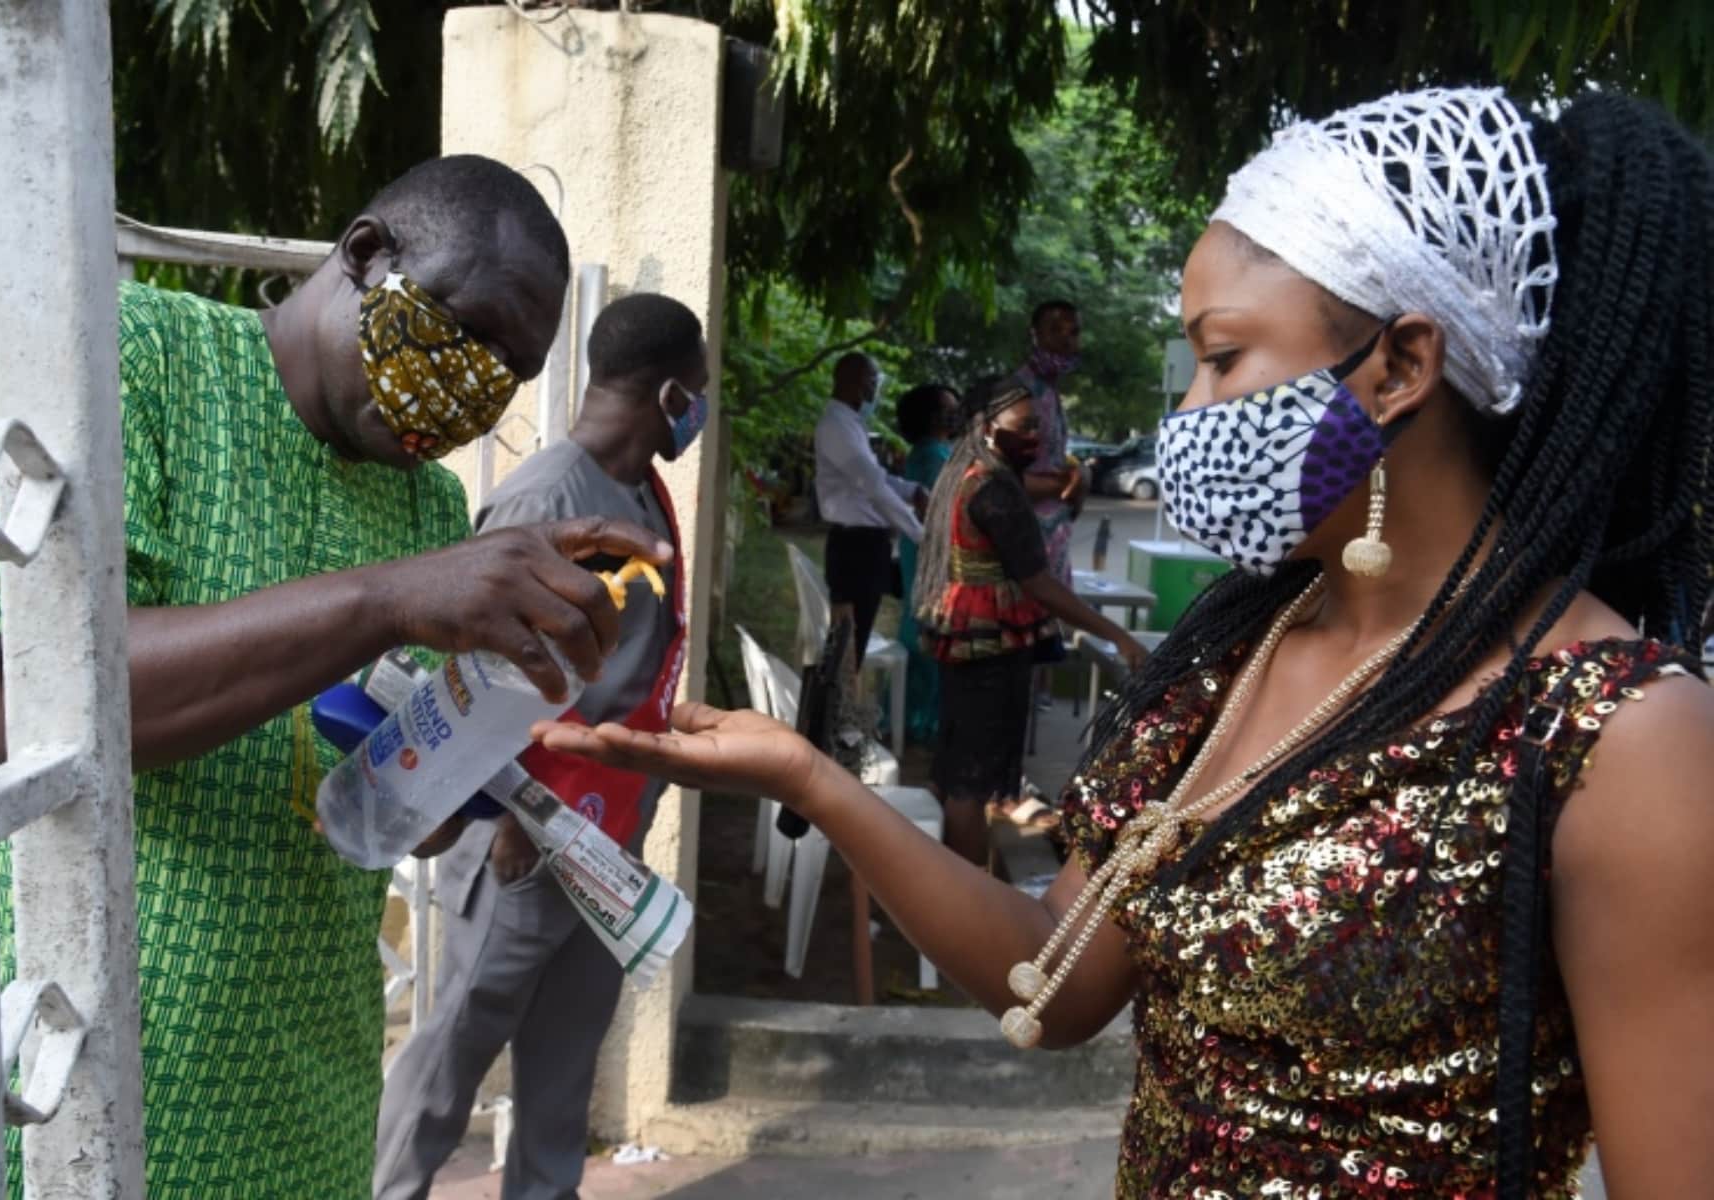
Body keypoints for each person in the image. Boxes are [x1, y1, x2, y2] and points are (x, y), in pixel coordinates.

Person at [532, 88, 1714, 1197]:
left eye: (1224, 356)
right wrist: (813, 781)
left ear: (1402, 366)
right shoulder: (1231, 657)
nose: (1188, 415)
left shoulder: (1618, 738)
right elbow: (1057, 971)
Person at [0, 155, 670, 1199]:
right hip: (80, 1087)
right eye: (464, 330)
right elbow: (8, 705)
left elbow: (399, 820)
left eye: (512, 371)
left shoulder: (429, 509)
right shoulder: (135, 356)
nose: (477, 384)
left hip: (307, 1104)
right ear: (363, 255)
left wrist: (494, 710)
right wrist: (387, 601)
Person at [374, 294, 705, 1200]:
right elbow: (467, 675)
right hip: (525, 832)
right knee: (453, 1054)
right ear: (673, 392)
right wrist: (512, 810)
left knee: (563, 1063)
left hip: (603, 830)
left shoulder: (638, 491)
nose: (702, 408)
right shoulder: (548, 496)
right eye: (700, 390)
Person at [913, 378, 1147, 866]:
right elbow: (1040, 582)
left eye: (1038, 425)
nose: (1035, 436)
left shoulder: (966, 473)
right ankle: (968, 898)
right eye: (1024, 426)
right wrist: (1118, 636)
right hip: (990, 644)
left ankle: (949, 880)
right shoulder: (994, 490)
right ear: (986, 427)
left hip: (963, 635)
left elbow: (1048, 491)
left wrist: (1075, 480)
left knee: (958, 765)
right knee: (970, 784)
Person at [814, 351, 925, 664]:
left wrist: (913, 490)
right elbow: (873, 487)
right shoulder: (836, 426)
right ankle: (834, 711)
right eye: (872, 383)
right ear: (855, 384)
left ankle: (840, 706)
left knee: (853, 644)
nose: (874, 392)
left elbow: (878, 478)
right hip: (854, 549)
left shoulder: (850, 424)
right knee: (847, 649)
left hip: (865, 546)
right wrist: (920, 535)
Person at [1015, 300, 1088, 709]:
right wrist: (1065, 483)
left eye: (1073, 331)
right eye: (1056, 330)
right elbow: (1002, 478)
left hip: (1053, 537)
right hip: (1024, 542)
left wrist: (1076, 479)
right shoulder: (1021, 392)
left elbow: (1056, 463)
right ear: (1034, 334)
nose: (1066, 340)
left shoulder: (1051, 392)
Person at [893, 381, 960, 743]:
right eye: (947, 408)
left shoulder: (926, 451)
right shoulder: (934, 456)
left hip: (918, 552)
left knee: (918, 629)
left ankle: (909, 716)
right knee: (928, 638)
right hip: (931, 556)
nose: (954, 413)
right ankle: (920, 722)